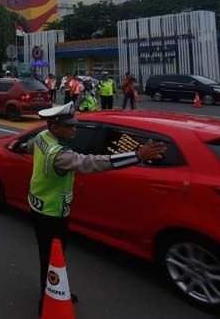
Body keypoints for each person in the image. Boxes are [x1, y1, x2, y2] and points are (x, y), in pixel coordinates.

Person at [19, 102, 165, 314]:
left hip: (38, 205)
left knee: (51, 257)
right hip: (52, 214)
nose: (74, 129)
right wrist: (136, 156)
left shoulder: (43, 137)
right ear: (55, 127)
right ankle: (48, 298)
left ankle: (58, 290)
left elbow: (29, 146)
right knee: (51, 260)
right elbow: (91, 163)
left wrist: (22, 147)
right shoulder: (60, 155)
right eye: (69, 126)